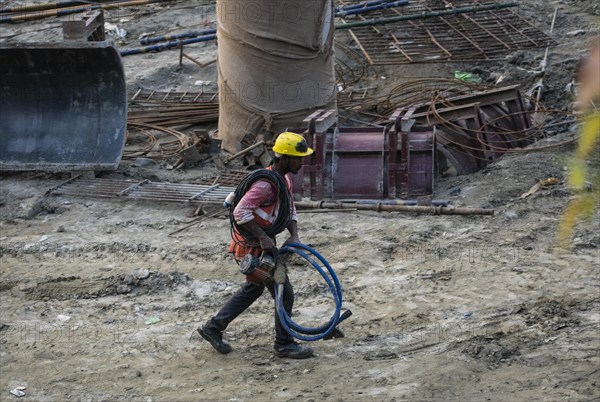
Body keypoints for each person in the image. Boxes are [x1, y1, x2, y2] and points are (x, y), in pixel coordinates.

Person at [198, 132, 315, 359]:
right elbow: (240, 211)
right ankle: (284, 344)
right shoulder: (265, 185)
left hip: (262, 245)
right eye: (297, 158)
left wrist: (295, 235)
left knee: (255, 289)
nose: (302, 162)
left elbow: (288, 208)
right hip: (251, 247)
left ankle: (213, 327)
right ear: (283, 159)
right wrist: (263, 237)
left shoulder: (284, 180)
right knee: (283, 291)